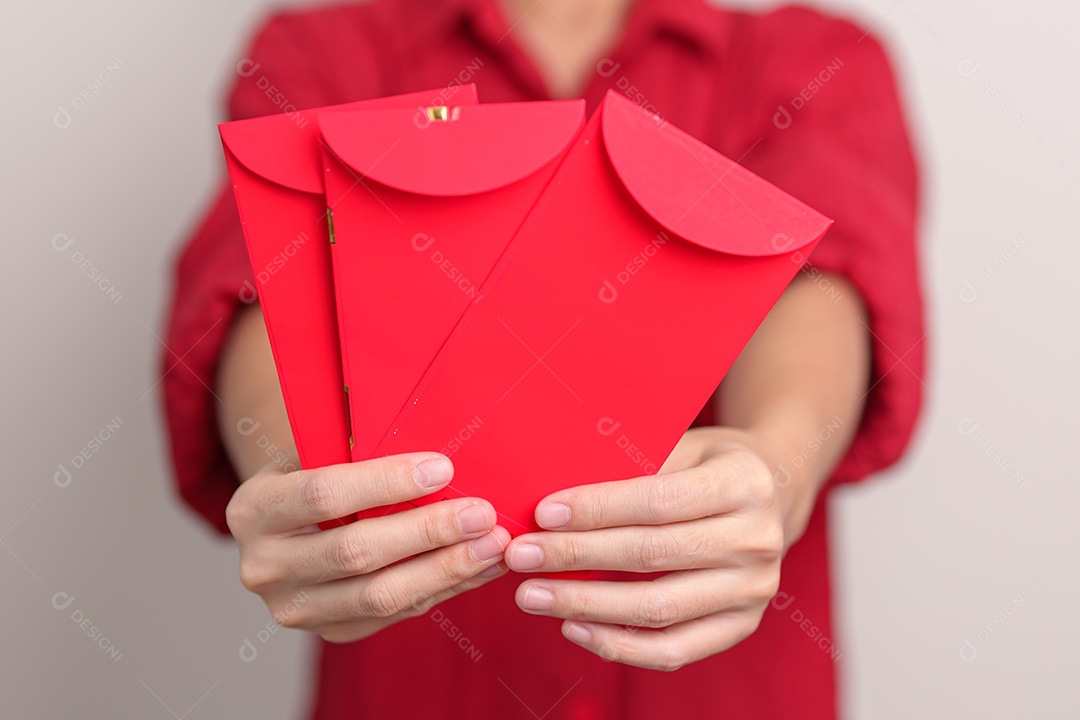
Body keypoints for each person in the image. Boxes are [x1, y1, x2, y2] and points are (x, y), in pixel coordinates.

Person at [162, 0, 924, 717]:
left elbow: (825, 285)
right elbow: (263, 287)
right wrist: (307, 482)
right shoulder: (326, 54)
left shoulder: (806, 63)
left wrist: (778, 460)